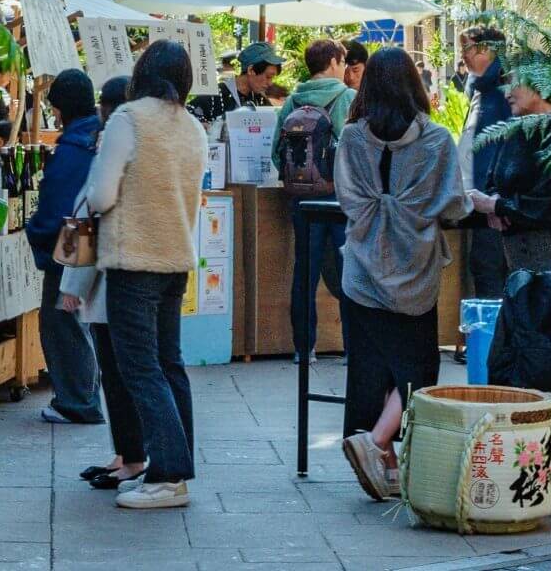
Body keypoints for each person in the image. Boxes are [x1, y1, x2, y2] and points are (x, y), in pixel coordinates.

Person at [334, 46, 467, 501]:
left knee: (369, 366)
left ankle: (383, 460)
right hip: (415, 267)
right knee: (419, 367)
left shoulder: (352, 137)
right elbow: (453, 204)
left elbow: (347, 199)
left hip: (361, 267)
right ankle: (377, 444)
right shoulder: (436, 140)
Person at [86, 40, 208, 509]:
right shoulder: (193, 126)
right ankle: (172, 468)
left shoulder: (128, 119)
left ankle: (168, 477)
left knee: (140, 369)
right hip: (176, 260)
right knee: (169, 364)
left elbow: (100, 196)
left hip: (133, 260)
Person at [62, 76, 147, 490]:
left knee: (117, 373)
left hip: (110, 275)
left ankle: (132, 456)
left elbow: (90, 214)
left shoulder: (113, 146)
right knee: (125, 372)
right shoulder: (146, 143)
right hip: (144, 272)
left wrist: (72, 284)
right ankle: (126, 453)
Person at [269, 38, 359, 363]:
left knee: (304, 273)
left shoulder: (293, 101)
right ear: (333, 61)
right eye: (343, 61)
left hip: (303, 202)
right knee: (349, 271)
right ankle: (353, 347)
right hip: (340, 199)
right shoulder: (348, 98)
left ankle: (303, 349)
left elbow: (276, 154)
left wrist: (301, 182)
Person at [25, 70, 105, 425]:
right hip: (96, 233)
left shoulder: (74, 147)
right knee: (76, 318)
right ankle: (83, 395)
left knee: (61, 318)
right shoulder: (98, 136)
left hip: (74, 235)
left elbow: (58, 204)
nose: (53, 114)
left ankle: (77, 401)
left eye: (54, 107)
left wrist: (36, 232)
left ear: (63, 107)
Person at [470, 73, 551, 278]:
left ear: (539, 84)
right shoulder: (511, 130)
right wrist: (495, 202)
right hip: (518, 264)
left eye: (513, 84)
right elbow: (493, 180)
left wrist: (496, 206)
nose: (506, 93)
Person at [458, 27, 512, 298]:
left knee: (491, 274)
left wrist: (495, 198)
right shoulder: (480, 89)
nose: (463, 56)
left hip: (494, 204)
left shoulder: (505, 90)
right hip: (478, 203)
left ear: (487, 49)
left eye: (467, 48)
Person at [190, 41, 284, 126]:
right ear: (251, 70)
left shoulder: (260, 100)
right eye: (268, 77)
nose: (270, 83)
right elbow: (187, 117)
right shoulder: (214, 96)